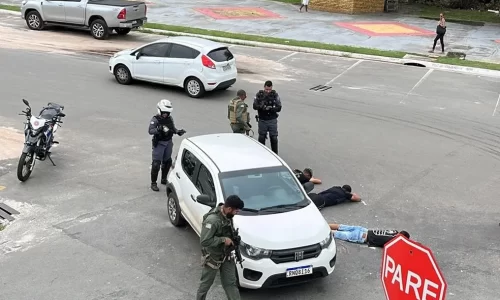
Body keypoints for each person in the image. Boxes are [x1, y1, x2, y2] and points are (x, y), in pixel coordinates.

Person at [197, 195, 245, 300]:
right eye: (235, 211)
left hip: (226, 255)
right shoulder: (213, 220)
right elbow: (204, 241)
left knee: (230, 283)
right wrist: (223, 240)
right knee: (206, 284)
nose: (236, 214)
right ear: (229, 209)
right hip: (212, 257)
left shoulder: (227, 216)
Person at [148, 99, 186, 192]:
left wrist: (178, 131)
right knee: (156, 164)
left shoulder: (170, 118)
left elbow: (172, 128)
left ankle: (164, 179)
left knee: (167, 161)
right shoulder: (155, 120)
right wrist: (159, 129)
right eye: (164, 112)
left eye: (167, 113)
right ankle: (153, 183)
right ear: (160, 111)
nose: (165, 114)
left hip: (168, 143)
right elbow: (150, 131)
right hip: (159, 144)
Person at [253, 80, 282, 154]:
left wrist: (271, 108)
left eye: (269, 89)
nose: (268, 91)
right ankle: (261, 154)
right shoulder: (259, 95)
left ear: (272, 88)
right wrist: (261, 106)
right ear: (264, 87)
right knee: (262, 138)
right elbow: (254, 106)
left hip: (272, 119)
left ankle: (275, 154)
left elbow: (279, 108)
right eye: (266, 89)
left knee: (274, 138)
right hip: (262, 120)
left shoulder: (275, 95)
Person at [329, 223, 410, 247]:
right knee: (336, 233)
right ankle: (322, 231)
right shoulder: (392, 242)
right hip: (362, 236)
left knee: (341, 226)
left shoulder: (394, 231)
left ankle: (323, 224)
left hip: (364, 229)